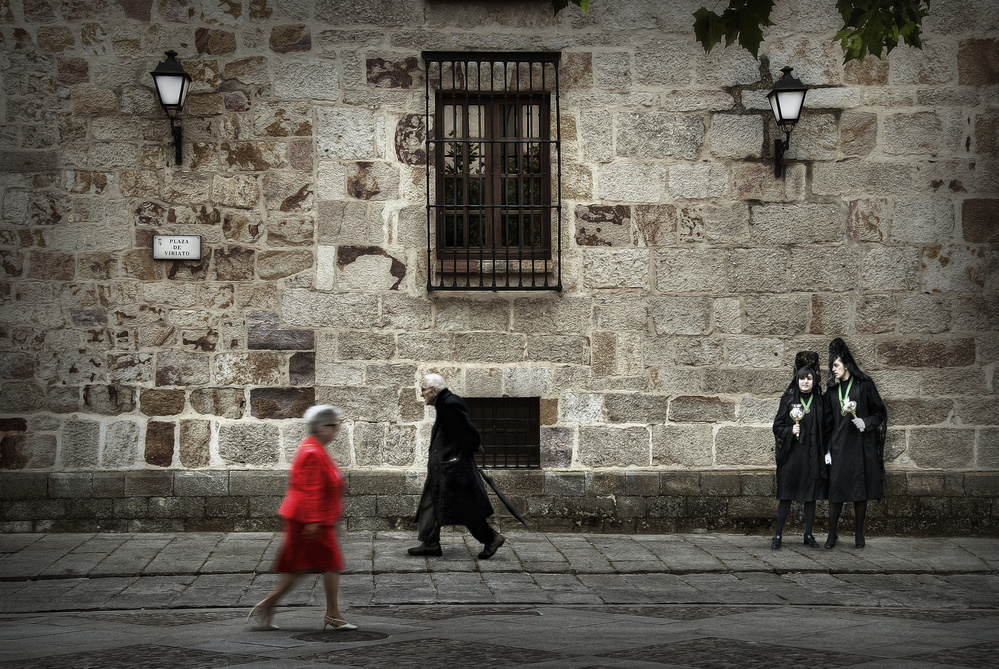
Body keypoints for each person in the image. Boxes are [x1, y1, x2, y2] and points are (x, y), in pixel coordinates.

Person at [247, 405, 356, 631]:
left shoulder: (316, 448)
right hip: (311, 522)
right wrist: (313, 522)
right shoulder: (312, 452)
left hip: (316, 520)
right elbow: (310, 489)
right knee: (324, 565)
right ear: (321, 427)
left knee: (301, 568)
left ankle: (268, 605)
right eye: (334, 426)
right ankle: (332, 614)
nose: (336, 431)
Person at [408, 374, 506, 560]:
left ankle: (492, 538)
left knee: (465, 509)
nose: (422, 394)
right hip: (444, 468)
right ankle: (430, 543)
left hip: (453, 470)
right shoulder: (444, 403)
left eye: (423, 390)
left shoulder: (450, 404)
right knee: (430, 503)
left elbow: (467, 431)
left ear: (434, 391)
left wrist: (474, 445)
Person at [824, 338, 888, 549]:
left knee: (860, 491)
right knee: (836, 491)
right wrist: (827, 449)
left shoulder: (865, 386)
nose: (833, 369)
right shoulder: (832, 392)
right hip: (839, 446)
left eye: (836, 365)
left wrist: (866, 421)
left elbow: (880, 412)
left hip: (861, 447)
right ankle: (832, 534)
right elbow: (827, 424)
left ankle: (859, 534)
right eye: (831, 366)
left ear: (847, 365)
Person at [771, 351, 830, 549]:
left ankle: (808, 534)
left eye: (809, 378)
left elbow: (828, 427)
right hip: (791, 456)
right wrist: (790, 429)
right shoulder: (788, 400)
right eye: (802, 378)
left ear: (814, 381)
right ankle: (778, 535)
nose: (805, 381)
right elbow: (777, 427)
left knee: (810, 496)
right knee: (786, 495)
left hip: (811, 456)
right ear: (797, 380)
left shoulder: (820, 402)